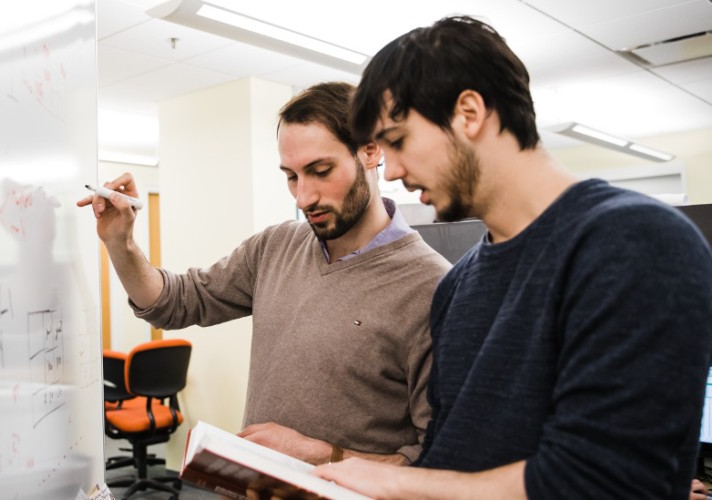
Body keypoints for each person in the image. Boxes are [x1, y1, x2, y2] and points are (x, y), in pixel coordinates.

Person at [313, 16, 712, 498]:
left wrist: (393, 481)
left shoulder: (636, 241)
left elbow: (602, 480)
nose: (393, 171)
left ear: (469, 111)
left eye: (398, 141)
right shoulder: (457, 286)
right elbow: (451, 465)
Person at [78, 82, 451, 465]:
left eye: (320, 171)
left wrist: (321, 455)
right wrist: (120, 245)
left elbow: (436, 464)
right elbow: (174, 303)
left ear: (370, 151)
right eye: (291, 177)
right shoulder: (276, 247)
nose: (303, 197)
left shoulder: (434, 288)